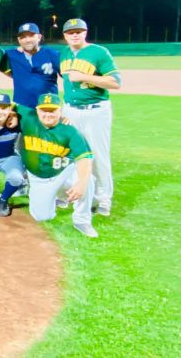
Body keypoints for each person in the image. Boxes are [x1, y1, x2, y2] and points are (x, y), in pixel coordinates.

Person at [60, 18, 120, 216]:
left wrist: (84, 77)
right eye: (70, 32)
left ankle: (103, 200)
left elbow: (115, 82)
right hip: (71, 110)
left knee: (98, 155)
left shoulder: (99, 52)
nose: (75, 35)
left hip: (96, 110)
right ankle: (77, 194)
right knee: (71, 154)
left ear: (85, 33)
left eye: (78, 31)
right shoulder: (64, 53)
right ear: (65, 36)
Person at [19, 93, 98, 237]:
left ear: (60, 111)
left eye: (52, 110)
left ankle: (82, 220)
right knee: (41, 216)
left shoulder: (70, 131)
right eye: (44, 110)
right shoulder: (27, 117)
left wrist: (81, 183)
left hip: (63, 172)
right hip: (39, 179)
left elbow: (85, 158)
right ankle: (60, 197)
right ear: (37, 110)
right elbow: (1, 106)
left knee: (87, 180)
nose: (48, 114)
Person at [3, 23, 59, 109]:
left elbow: (66, 77)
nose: (27, 40)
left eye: (31, 36)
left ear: (39, 37)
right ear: (19, 40)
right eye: (23, 37)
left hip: (48, 107)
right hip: (22, 109)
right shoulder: (11, 55)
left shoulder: (53, 55)